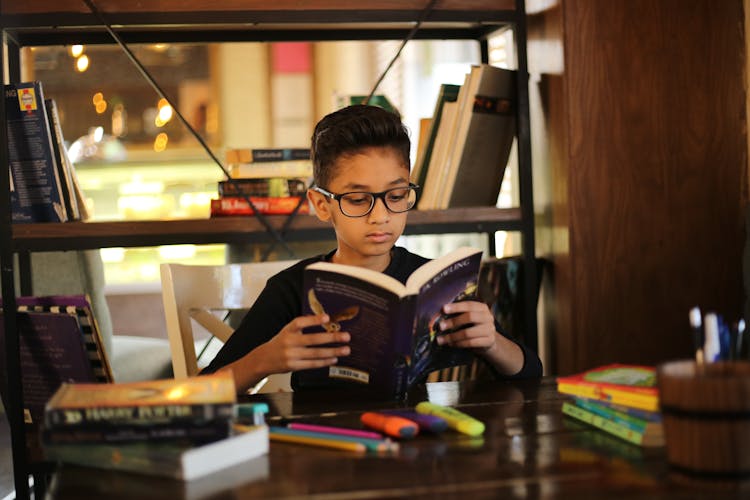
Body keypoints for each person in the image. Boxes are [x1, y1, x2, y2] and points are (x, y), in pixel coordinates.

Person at [203, 104, 542, 393]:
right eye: (357, 199)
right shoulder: (293, 289)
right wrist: (265, 359)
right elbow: (202, 389)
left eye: (396, 197)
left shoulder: (433, 283)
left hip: (415, 442)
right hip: (321, 446)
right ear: (322, 205)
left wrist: (492, 342)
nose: (380, 216)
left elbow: (530, 373)